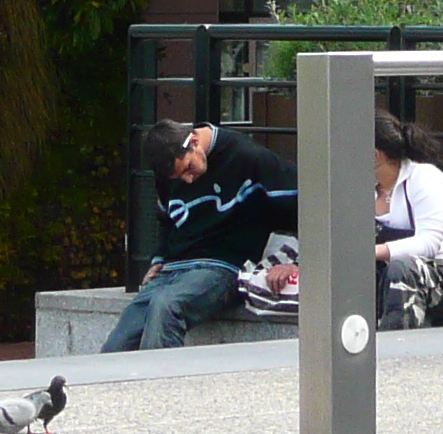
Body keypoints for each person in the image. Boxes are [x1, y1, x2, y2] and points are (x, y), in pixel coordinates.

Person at [106, 119, 301, 351]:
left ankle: (160, 385)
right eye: (178, 177)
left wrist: (297, 263)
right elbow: (167, 221)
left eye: (188, 168)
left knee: (166, 306)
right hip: (172, 269)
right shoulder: (169, 172)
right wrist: (159, 258)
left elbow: (311, 206)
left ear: (195, 142)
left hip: (221, 268)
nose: (188, 179)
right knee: (120, 340)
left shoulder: (247, 157)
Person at [372, 113, 443, 330]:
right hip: (388, 273)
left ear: (375, 155)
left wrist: (372, 251)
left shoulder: (424, 178)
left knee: (402, 269)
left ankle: (396, 345)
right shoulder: (361, 188)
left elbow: (429, 243)